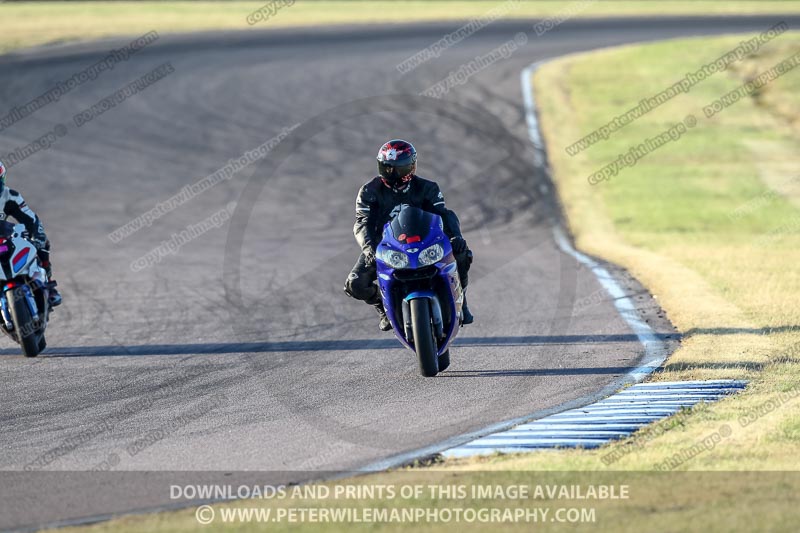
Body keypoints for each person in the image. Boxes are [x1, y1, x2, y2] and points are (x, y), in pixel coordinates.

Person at [344, 139, 472, 331]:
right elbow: (362, 223)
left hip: (426, 244)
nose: (392, 173)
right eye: (386, 167)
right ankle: (383, 307)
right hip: (385, 247)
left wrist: (455, 237)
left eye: (398, 169)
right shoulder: (369, 191)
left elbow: (444, 214)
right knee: (355, 284)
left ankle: (462, 299)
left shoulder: (428, 188)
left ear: (411, 167)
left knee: (462, 254)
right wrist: (369, 248)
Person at [0, 160, 61, 307]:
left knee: (42, 242)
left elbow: (30, 219)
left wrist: (36, 237)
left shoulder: (10, 196)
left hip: (5, 237)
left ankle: (48, 285)